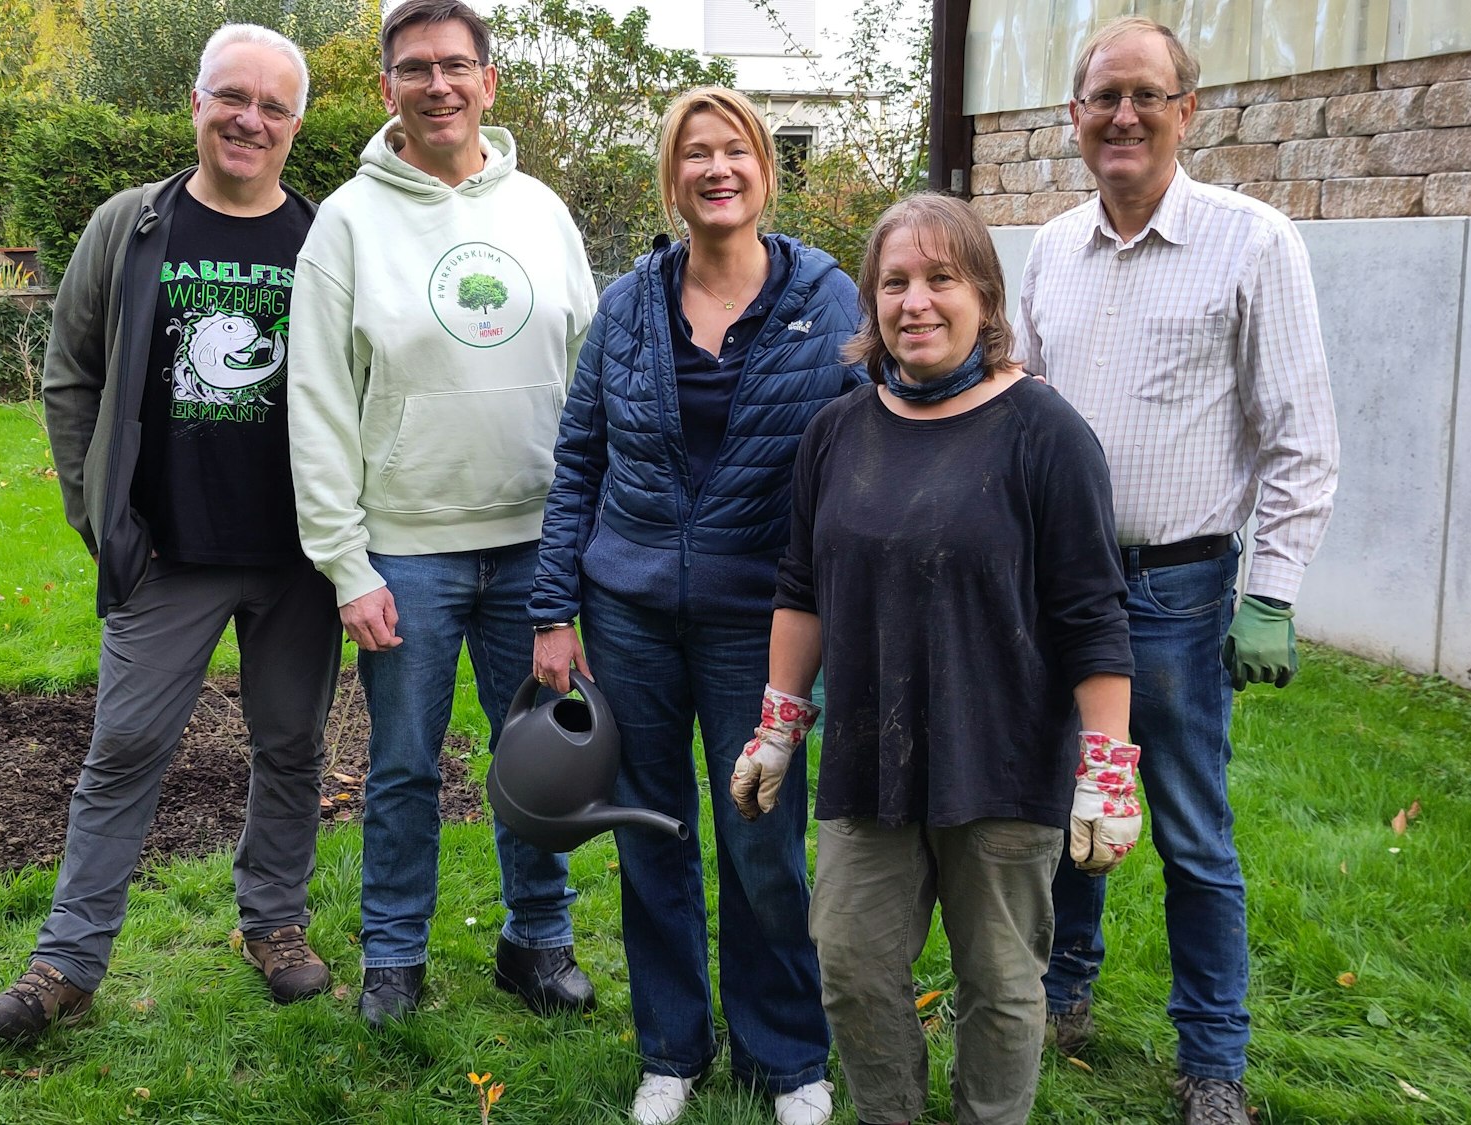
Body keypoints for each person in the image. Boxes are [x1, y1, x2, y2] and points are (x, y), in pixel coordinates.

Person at [0, 24, 343, 1042]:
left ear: (295, 125)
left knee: (291, 746)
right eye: (231, 96)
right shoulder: (130, 228)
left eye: (271, 106)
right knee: (124, 745)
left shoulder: (326, 239)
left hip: (297, 558)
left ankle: (273, 925)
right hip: (165, 552)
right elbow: (70, 371)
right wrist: (93, 511)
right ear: (195, 104)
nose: (248, 119)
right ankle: (67, 962)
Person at [741, 193, 1137, 1125]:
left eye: (940, 279)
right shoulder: (837, 432)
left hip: (1000, 760)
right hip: (867, 763)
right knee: (850, 962)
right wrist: (777, 723)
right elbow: (801, 590)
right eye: (894, 282)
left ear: (985, 298)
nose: (915, 301)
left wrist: (1109, 765)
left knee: (1000, 982)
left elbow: (1094, 611)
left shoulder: (1046, 433)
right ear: (871, 305)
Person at [1017, 17, 1340, 1125]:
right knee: (1063, 802)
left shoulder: (1252, 243)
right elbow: (1023, 422)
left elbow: (1299, 434)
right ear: (1073, 116)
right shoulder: (1050, 249)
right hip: (1057, 586)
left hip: (1179, 588)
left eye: (1145, 95)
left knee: (1190, 832)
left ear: (1185, 111)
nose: (1121, 116)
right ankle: (1061, 993)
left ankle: (1211, 1062)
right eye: (1102, 96)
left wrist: (1271, 592)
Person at [529, 86, 862, 1125]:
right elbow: (577, 457)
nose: (714, 170)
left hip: (759, 625)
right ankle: (670, 1049)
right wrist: (551, 610)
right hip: (627, 618)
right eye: (692, 155)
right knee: (650, 835)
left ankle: (786, 1055)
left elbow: (880, 435)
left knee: (760, 844)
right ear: (670, 180)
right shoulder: (629, 305)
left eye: (733, 152)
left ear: (764, 168)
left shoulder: (827, 297)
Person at [286, 0, 599, 1029]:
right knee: (404, 769)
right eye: (413, 68)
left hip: (535, 551)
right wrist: (345, 563)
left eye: (455, 66)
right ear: (386, 91)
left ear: (488, 83)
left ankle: (535, 943)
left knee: (537, 761)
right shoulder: (344, 223)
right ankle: (392, 956)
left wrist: (583, 551)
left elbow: (589, 379)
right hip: (405, 554)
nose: (437, 85)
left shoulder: (541, 212)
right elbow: (319, 401)